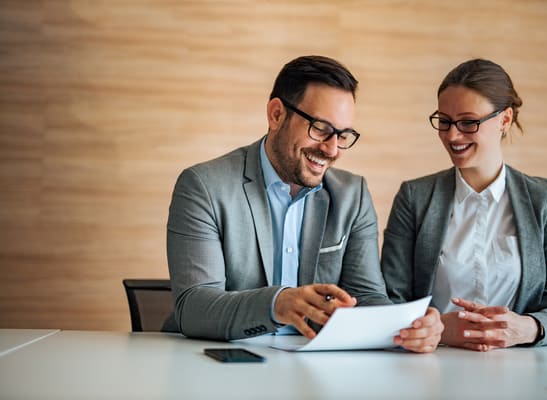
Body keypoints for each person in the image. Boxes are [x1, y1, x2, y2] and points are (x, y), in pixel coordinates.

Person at [167, 55, 443, 353]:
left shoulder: (353, 195)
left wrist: (410, 326)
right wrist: (277, 304)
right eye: (321, 129)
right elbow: (193, 307)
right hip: (220, 362)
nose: (332, 149)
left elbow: (366, 297)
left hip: (316, 365)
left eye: (343, 135)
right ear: (276, 115)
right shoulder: (204, 186)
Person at [381, 58, 547, 351]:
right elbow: (390, 301)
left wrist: (525, 328)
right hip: (431, 366)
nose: (452, 135)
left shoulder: (544, 199)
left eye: (468, 122)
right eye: (444, 122)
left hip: (519, 368)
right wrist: (440, 328)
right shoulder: (415, 197)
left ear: (505, 120)